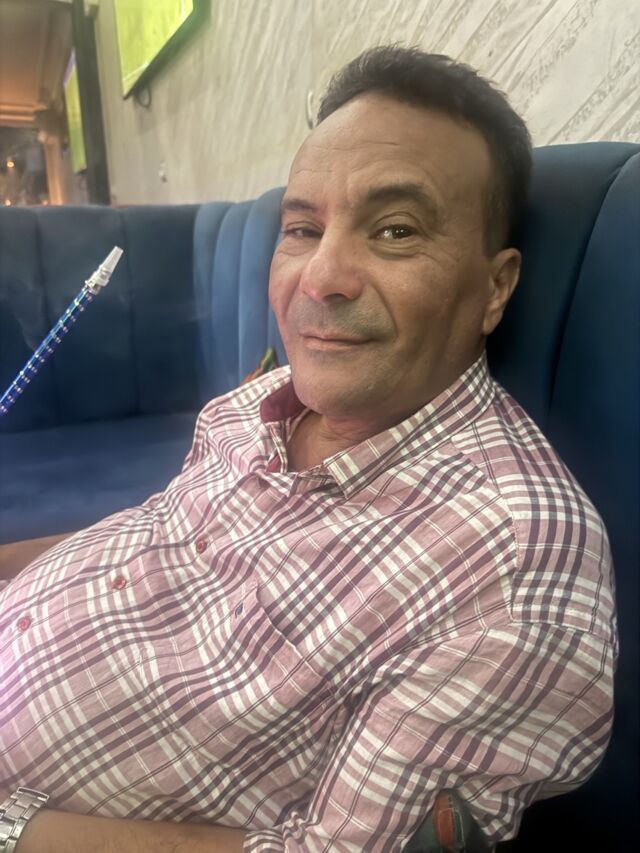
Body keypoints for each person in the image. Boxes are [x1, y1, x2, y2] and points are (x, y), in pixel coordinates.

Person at [0, 46, 616, 852]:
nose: (320, 278)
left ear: (495, 287)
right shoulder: (259, 401)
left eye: (395, 230)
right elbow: (154, 530)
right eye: (302, 229)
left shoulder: (507, 565)